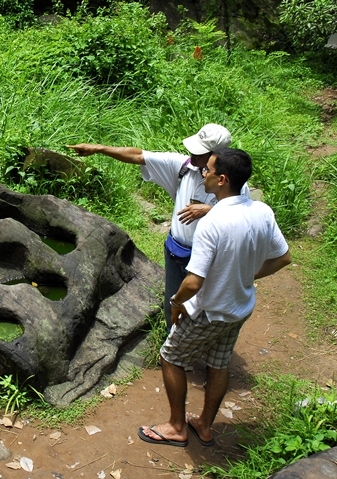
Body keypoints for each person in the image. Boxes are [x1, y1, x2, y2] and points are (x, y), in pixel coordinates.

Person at [137, 148, 292, 447]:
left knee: (170, 358)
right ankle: (204, 425)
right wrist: (248, 277)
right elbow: (283, 257)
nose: (202, 174)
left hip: (209, 310)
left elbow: (193, 282)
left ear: (221, 179)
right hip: (239, 307)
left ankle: (176, 427)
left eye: (207, 170)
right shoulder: (262, 211)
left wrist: (176, 302)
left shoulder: (213, 221)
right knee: (218, 364)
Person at [68, 124, 244, 332]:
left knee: (205, 306)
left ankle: (200, 347)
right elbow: (138, 155)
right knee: (173, 300)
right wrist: (98, 148)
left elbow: (241, 218)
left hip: (208, 257)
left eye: (199, 152)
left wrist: (209, 210)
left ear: (218, 156)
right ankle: (173, 341)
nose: (192, 155)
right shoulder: (184, 167)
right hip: (175, 250)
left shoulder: (236, 185)